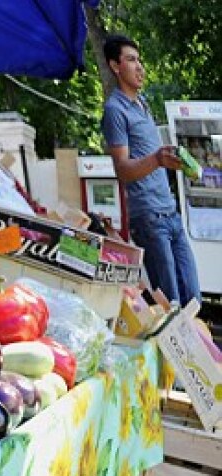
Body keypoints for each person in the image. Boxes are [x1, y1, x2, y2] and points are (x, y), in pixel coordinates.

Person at [101, 34, 201, 305]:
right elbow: (122, 170)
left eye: (139, 60)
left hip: (170, 212)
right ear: (115, 66)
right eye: (131, 60)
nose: (140, 67)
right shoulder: (114, 110)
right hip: (149, 219)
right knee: (171, 305)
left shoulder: (143, 104)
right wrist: (157, 159)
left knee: (194, 299)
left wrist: (170, 158)